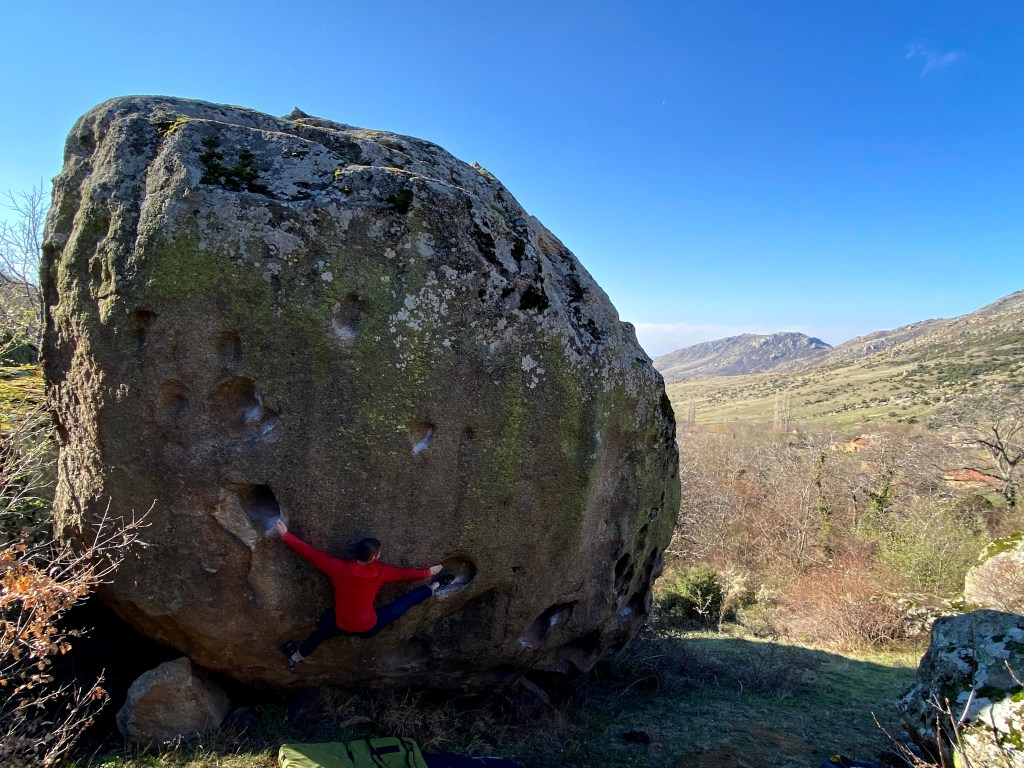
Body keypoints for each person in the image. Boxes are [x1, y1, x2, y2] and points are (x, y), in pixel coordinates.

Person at [273, 518, 447, 668]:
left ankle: (295, 658)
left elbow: (311, 554)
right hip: (367, 627)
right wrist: (428, 572)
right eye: (378, 554)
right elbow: (405, 575)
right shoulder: (380, 572)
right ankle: (433, 587)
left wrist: (286, 535)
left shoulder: (338, 569)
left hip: (340, 622)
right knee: (403, 603)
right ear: (373, 558)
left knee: (321, 632)